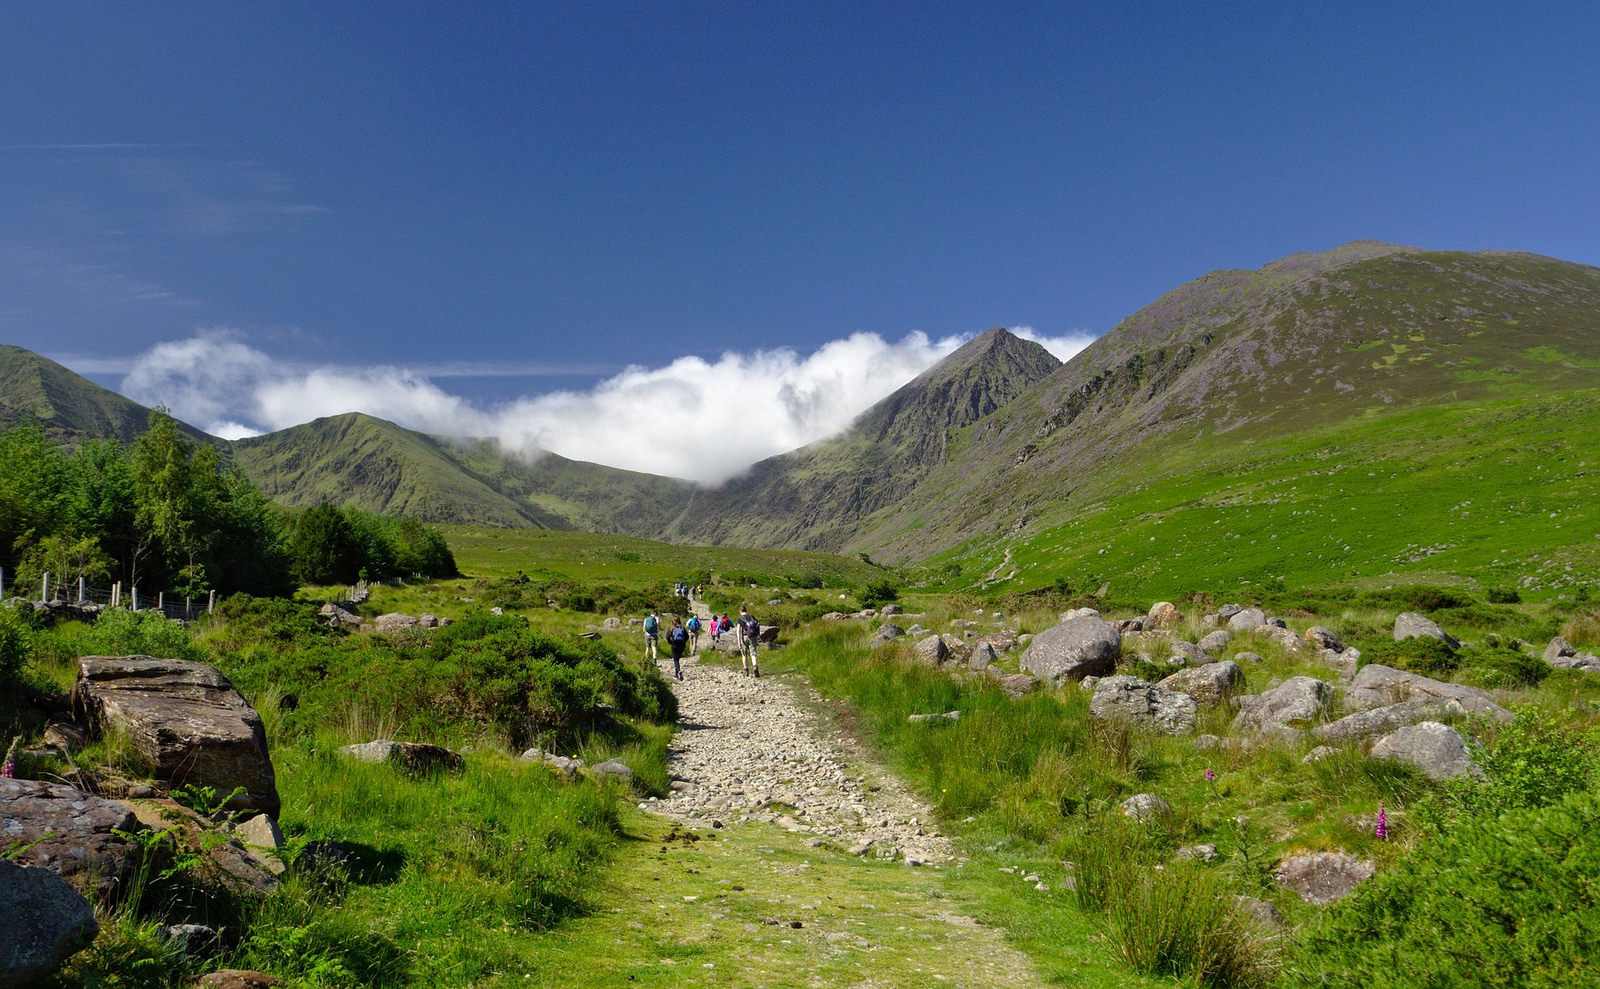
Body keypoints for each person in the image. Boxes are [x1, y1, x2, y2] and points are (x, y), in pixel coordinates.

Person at [736, 605, 761, 678]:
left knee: (744, 654)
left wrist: (739, 642)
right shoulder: (751, 616)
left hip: (744, 637)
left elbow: (738, 631)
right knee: (753, 653)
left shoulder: (739, 619)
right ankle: (755, 667)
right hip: (752, 637)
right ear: (746, 610)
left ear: (740, 611)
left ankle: (746, 670)